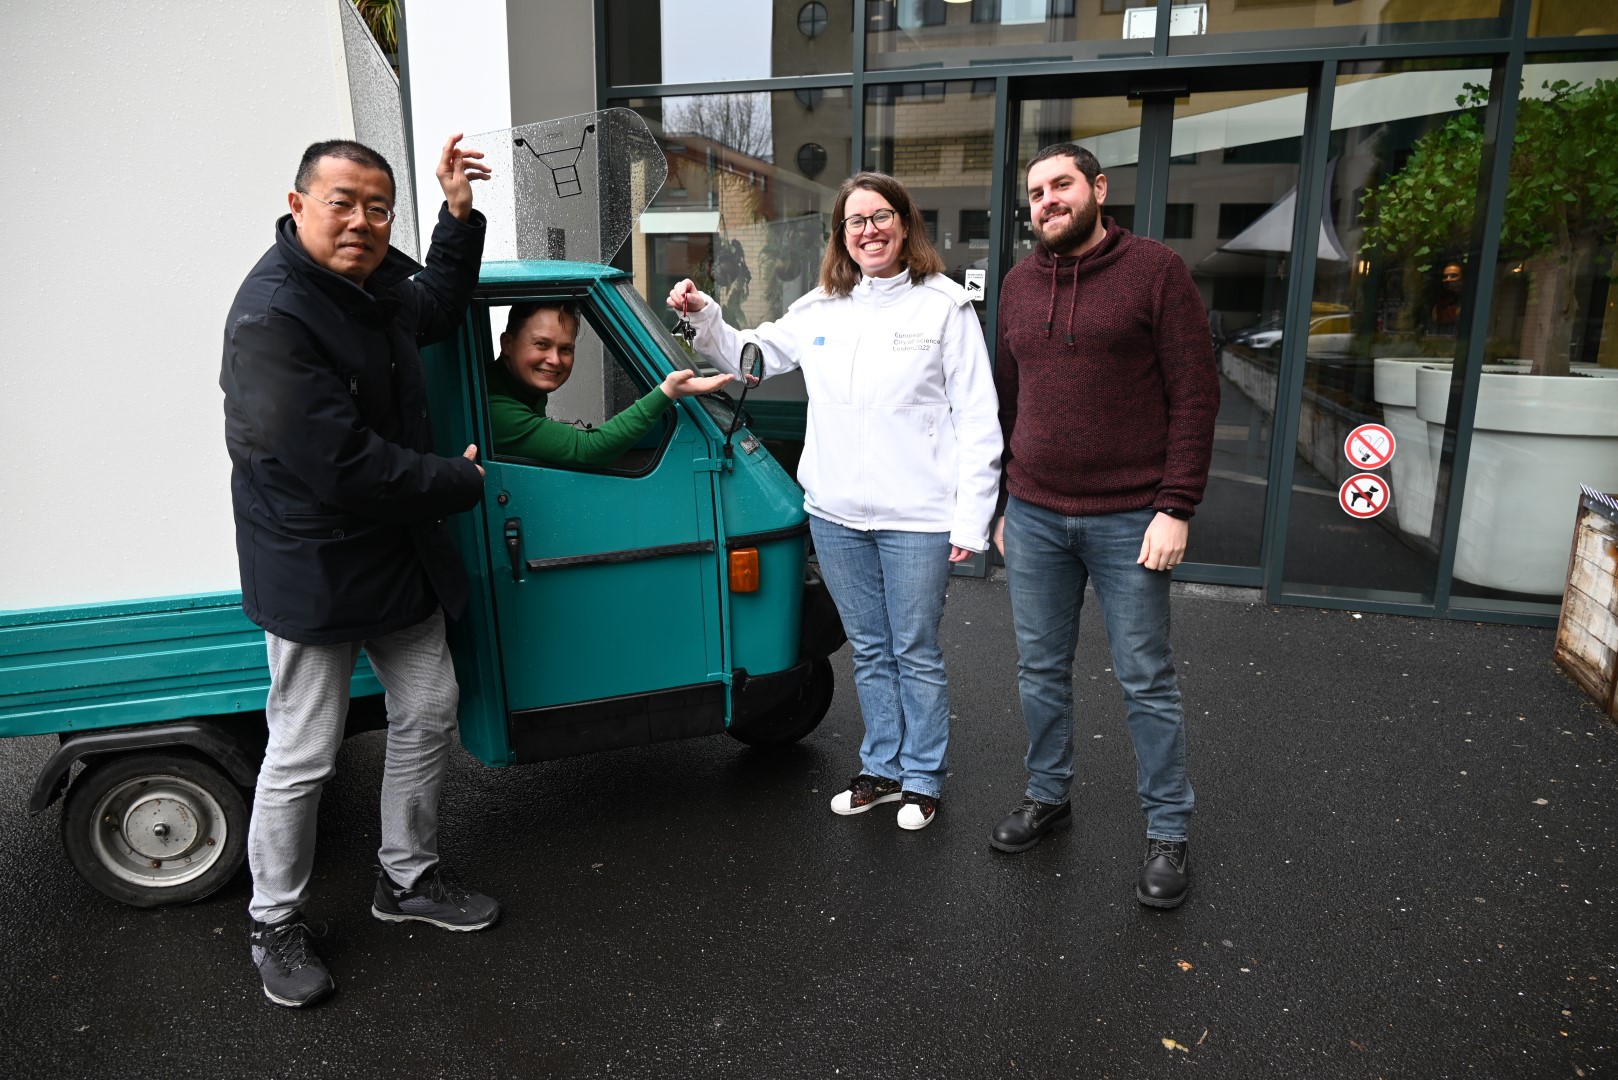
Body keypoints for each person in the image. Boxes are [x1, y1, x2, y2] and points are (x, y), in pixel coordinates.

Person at [220, 134, 497, 1008]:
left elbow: (439, 307)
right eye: (342, 201)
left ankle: (407, 878)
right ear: (298, 202)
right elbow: (339, 465)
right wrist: (459, 480)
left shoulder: (369, 285)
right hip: (315, 567)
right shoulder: (273, 316)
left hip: (393, 554)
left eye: (378, 207)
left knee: (429, 707)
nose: (362, 222)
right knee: (302, 753)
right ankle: (273, 920)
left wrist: (455, 213)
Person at [666, 172, 1001, 831]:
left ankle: (923, 779)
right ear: (842, 237)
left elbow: (979, 420)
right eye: (855, 221)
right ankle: (880, 768)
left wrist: (971, 516)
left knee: (914, 648)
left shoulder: (944, 307)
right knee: (872, 649)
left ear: (905, 226)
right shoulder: (821, 307)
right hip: (838, 515)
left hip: (918, 518)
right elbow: (751, 359)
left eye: (881, 217)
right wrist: (704, 315)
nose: (869, 230)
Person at [988, 143, 1219, 909]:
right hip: (1035, 516)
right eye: (1036, 191)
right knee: (1039, 670)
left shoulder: (1156, 272)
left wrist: (1176, 505)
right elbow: (1007, 406)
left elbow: (1195, 394)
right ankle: (1048, 795)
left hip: (1130, 521)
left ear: (1097, 189)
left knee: (1146, 680)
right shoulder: (1020, 285)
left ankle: (1168, 829)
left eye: (1061, 185)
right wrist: (999, 506)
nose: (1047, 200)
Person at [487, 301, 732, 465]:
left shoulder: (520, 387)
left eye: (565, 349)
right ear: (507, 344)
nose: (554, 360)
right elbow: (587, 448)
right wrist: (668, 391)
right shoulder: (493, 410)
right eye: (541, 344)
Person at [1429, 260, 1464, 334]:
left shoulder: (1471, 301)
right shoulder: (1439, 304)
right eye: (1445, 277)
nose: (1448, 279)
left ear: (1463, 278)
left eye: (1453, 276)